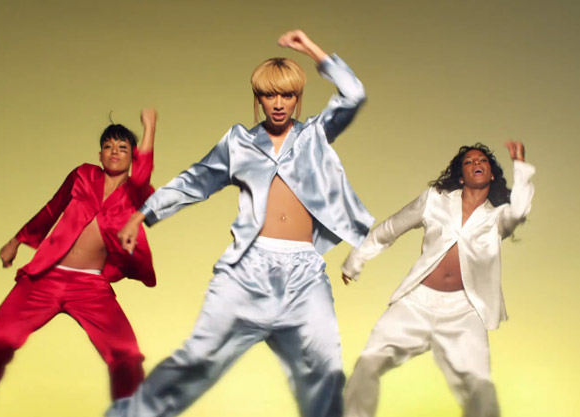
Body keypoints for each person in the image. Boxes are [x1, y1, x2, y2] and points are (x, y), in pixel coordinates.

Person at [107, 30, 374, 417]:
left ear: (298, 98)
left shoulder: (315, 135)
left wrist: (310, 48)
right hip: (248, 270)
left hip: (305, 273)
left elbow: (354, 94)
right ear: (258, 98)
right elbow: (196, 179)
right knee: (197, 361)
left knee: (326, 374)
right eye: (269, 95)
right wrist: (143, 213)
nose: (278, 104)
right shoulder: (239, 143)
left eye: (287, 96)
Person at [0, 109, 158, 417]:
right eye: (108, 146)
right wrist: (18, 240)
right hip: (44, 278)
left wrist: (150, 127)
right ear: (100, 154)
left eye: (123, 148)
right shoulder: (83, 175)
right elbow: (52, 208)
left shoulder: (137, 192)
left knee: (127, 356)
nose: (114, 152)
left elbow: (143, 174)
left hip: (91, 287)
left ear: (132, 156)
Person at [341, 142, 535, 417]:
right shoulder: (435, 200)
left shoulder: (498, 217)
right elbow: (392, 227)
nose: (476, 163)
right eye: (469, 161)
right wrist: (356, 260)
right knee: (368, 362)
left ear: (491, 174)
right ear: (461, 176)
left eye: (482, 160)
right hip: (416, 303)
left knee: (480, 387)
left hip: (465, 311)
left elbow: (520, 210)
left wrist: (520, 165)